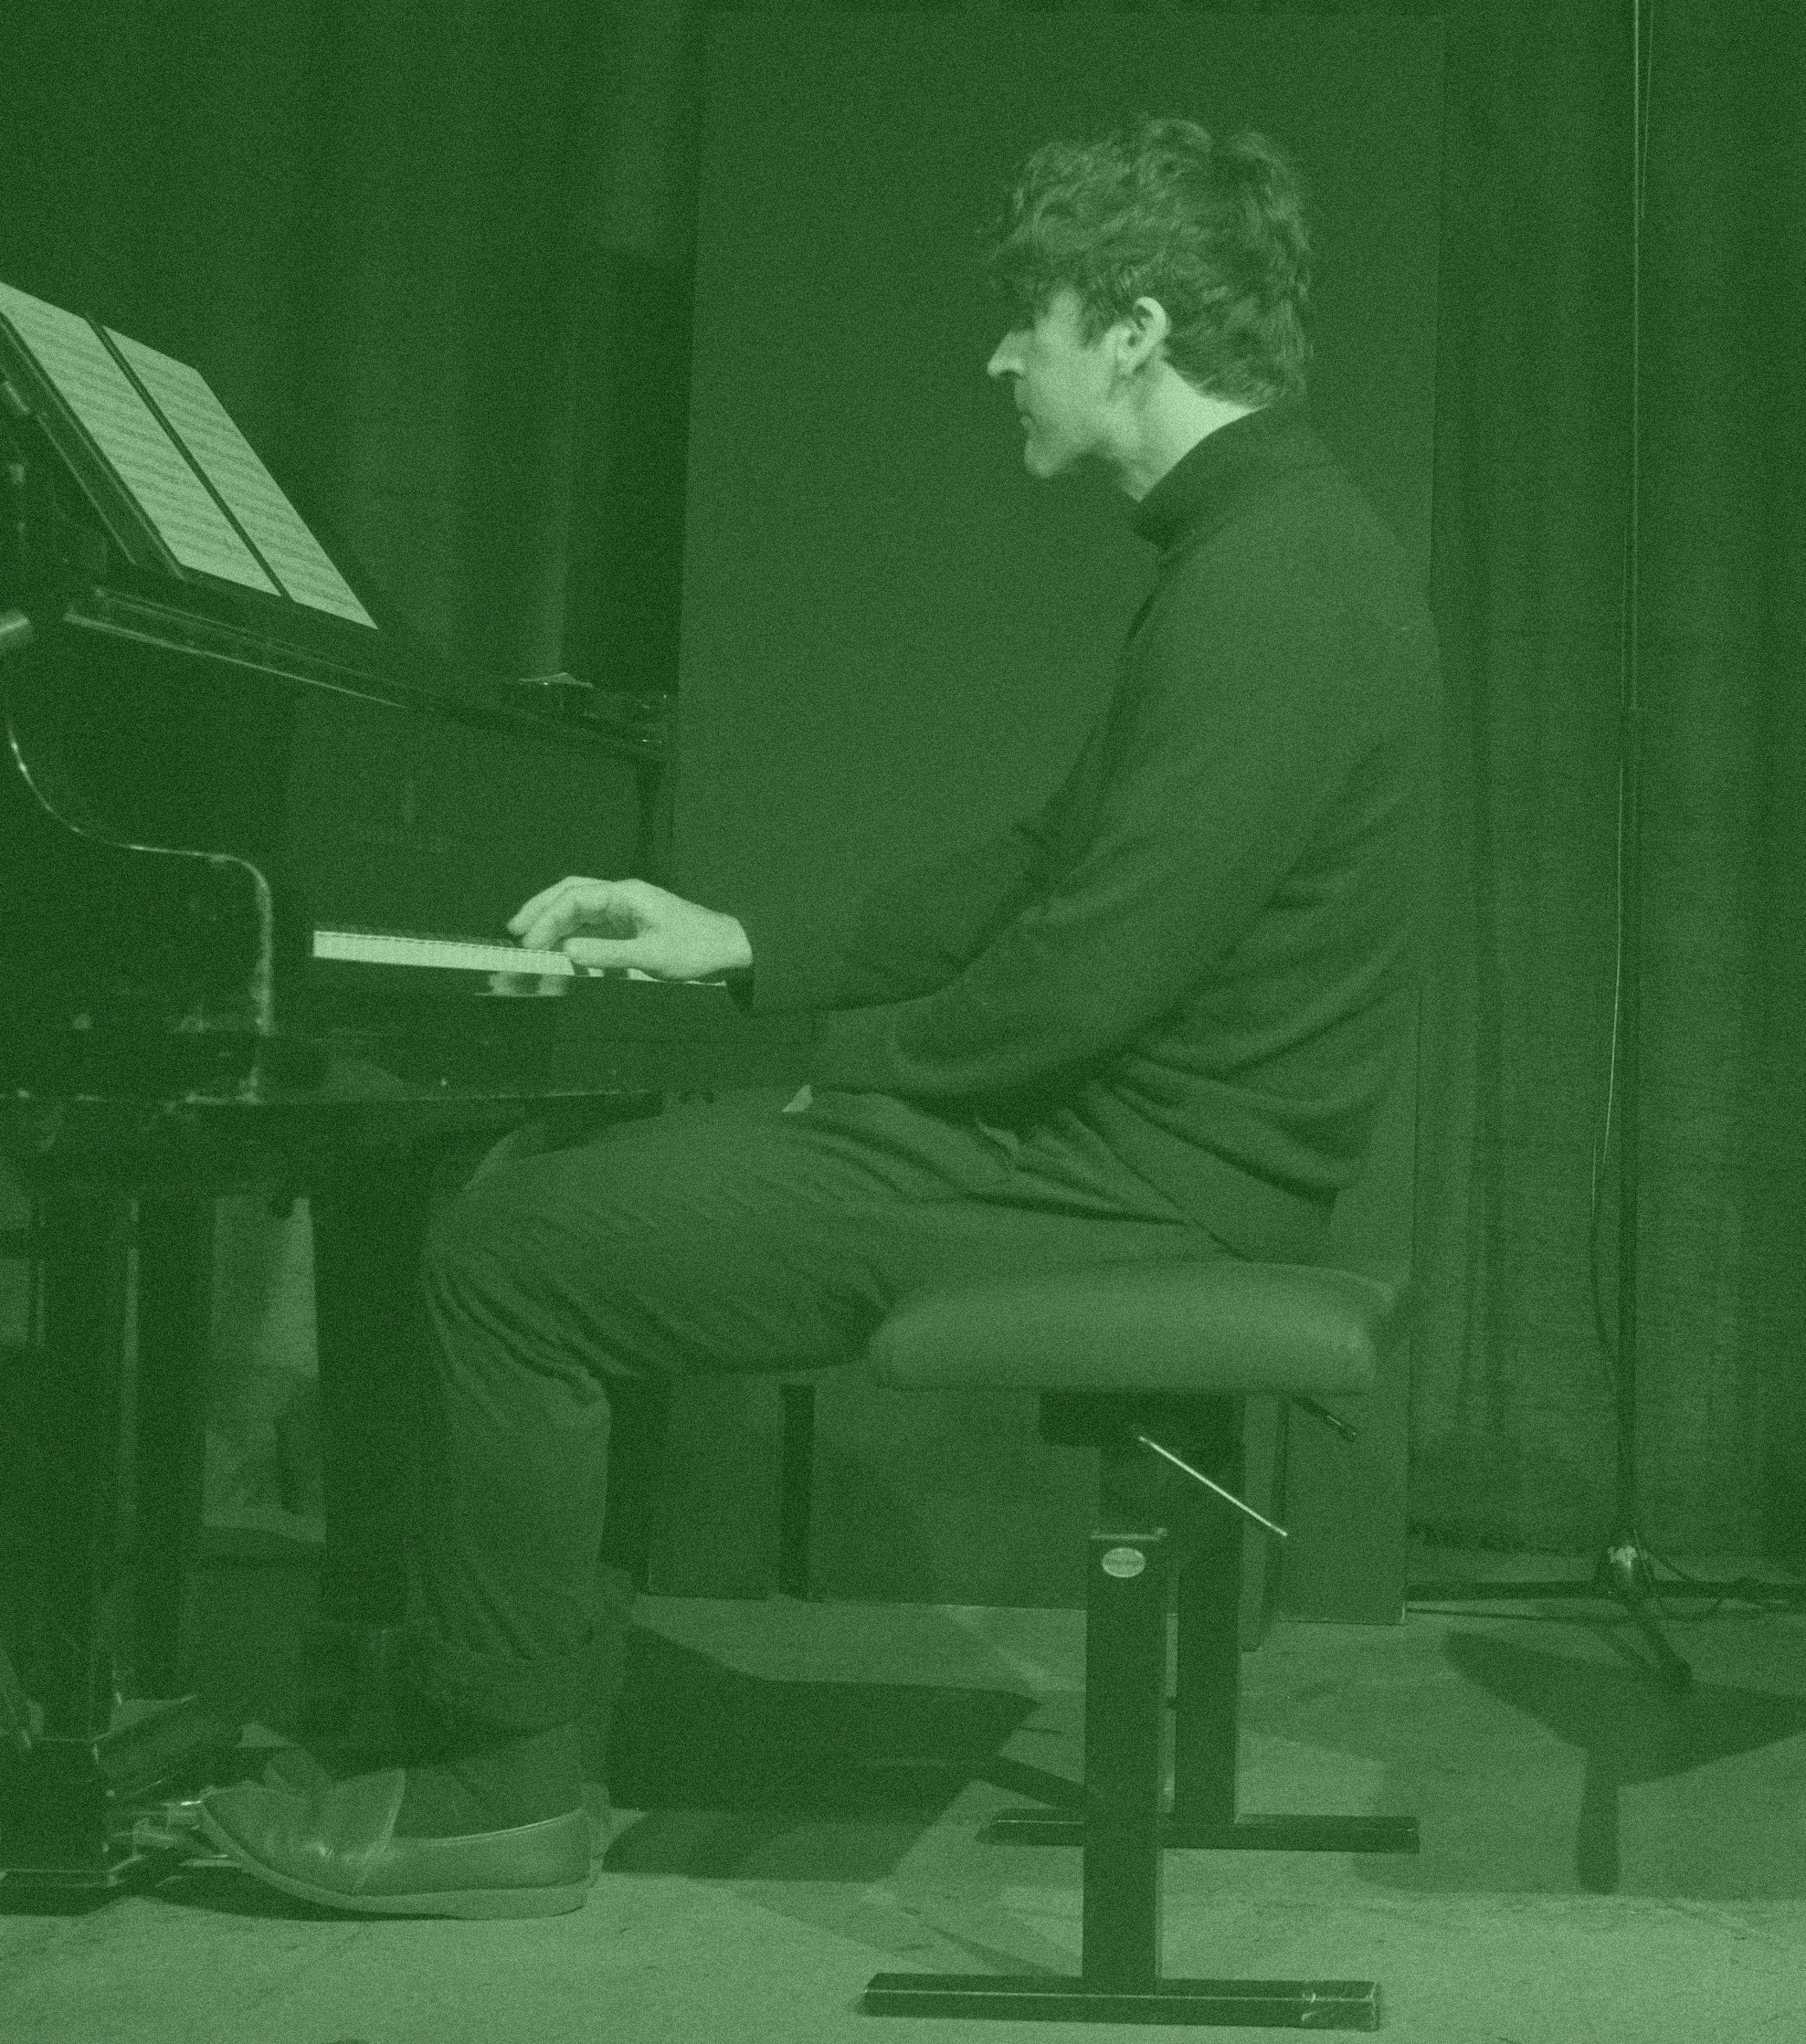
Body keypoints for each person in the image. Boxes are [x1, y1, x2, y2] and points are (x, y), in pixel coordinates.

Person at [197, 118, 1440, 1918]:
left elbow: (1088, 971)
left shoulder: (1268, 586)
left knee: (511, 1253)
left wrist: (838, 1077)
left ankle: (498, 1787)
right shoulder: (1267, 545)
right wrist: (737, 947)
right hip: (1136, 1154)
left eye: (1032, 316)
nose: (1000, 356)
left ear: (1137, 333)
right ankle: (525, 1704)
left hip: (1132, 1181)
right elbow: (1046, 864)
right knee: (574, 1211)